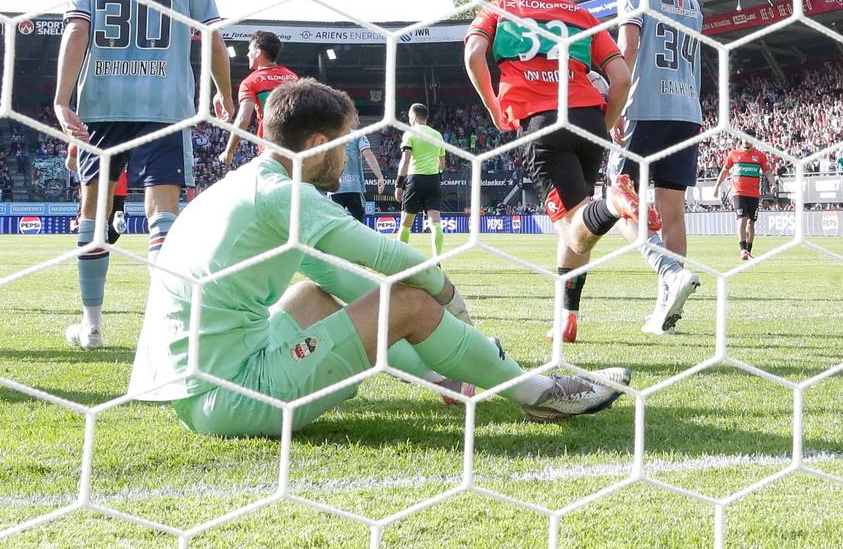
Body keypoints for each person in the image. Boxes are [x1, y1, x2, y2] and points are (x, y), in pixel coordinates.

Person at [127, 78, 630, 437]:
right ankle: (540, 395)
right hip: (234, 396)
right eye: (345, 145)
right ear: (317, 144)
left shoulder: (245, 184)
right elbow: (390, 257)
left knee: (315, 295)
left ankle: (448, 378)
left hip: (197, 391)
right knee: (410, 300)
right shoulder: (284, 196)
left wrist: (439, 350)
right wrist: (447, 295)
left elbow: (340, 278)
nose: (347, 158)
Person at [54, 0, 234, 350]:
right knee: (162, 214)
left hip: (102, 105)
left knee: (93, 214)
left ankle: (92, 326)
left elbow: (77, 30)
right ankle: (166, 330)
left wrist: (61, 99)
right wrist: (224, 93)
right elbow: (213, 37)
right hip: (165, 105)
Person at [463, 0, 637, 343]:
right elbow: (622, 78)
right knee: (576, 225)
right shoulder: (581, 15)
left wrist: (493, 107)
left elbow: (473, 54)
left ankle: (614, 203)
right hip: (588, 120)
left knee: (577, 229)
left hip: (542, 124)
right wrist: (605, 124)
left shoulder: (499, 8)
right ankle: (567, 316)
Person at [611, 0, 703, 335]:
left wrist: (615, 104)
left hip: (646, 105)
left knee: (616, 198)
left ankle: (670, 272)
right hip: (687, 109)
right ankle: (666, 309)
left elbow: (628, 48)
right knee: (673, 212)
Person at [219, 30, 299, 164]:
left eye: (250, 50)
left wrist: (229, 151)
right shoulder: (293, 77)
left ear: (257, 52)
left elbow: (243, 119)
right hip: (297, 148)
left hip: (270, 148)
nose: (247, 54)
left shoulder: (251, 81)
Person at [394, 103, 446, 257]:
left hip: (415, 179)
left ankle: (401, 259)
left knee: (406, 224)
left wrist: (399, 184)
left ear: (413, 116)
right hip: (433, 180)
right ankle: (437, 260)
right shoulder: (437, 135)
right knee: (435, 223)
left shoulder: (410, 134)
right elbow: (442, 164)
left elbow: (406, 159)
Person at [714, 139, 776, 260]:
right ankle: (743, 250)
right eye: (744, 138)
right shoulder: (734, 154)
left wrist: (773, 184)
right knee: (742, 219)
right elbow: (725, 171)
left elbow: (767, 172)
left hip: (753, 194)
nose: (746, 141)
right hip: (738, 193)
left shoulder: (760, 155)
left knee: (750, 223)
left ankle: (748, 250)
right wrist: (716, 187)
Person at [330, 119, 386, 223]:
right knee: (358, 224)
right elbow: (368, 154)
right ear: (350, 118)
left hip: (334, 188)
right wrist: (380, 176)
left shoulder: (330, 135)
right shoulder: (358, 135)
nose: (359, 122)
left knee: (335, 224)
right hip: (354, 188)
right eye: (356, 119)